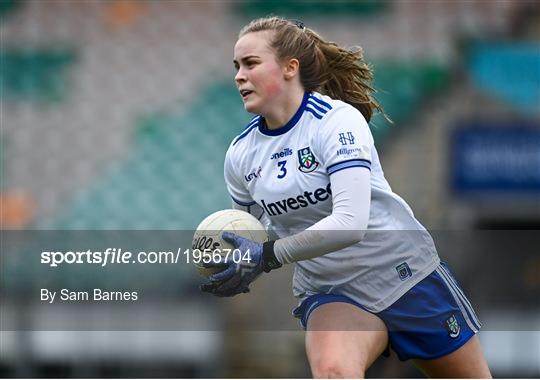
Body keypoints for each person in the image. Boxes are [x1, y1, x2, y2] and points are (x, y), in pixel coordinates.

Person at [200, 16, 492, 378]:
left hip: (403, 275)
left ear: (290, 68)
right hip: (333, 290)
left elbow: (350, 224)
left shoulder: (336, 121)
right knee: (334, 371)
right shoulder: (241, 153)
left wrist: (268, 256)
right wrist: (237, 266)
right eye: (236, 66)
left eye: (251, 64)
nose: (239, 76)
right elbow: (248, 234)